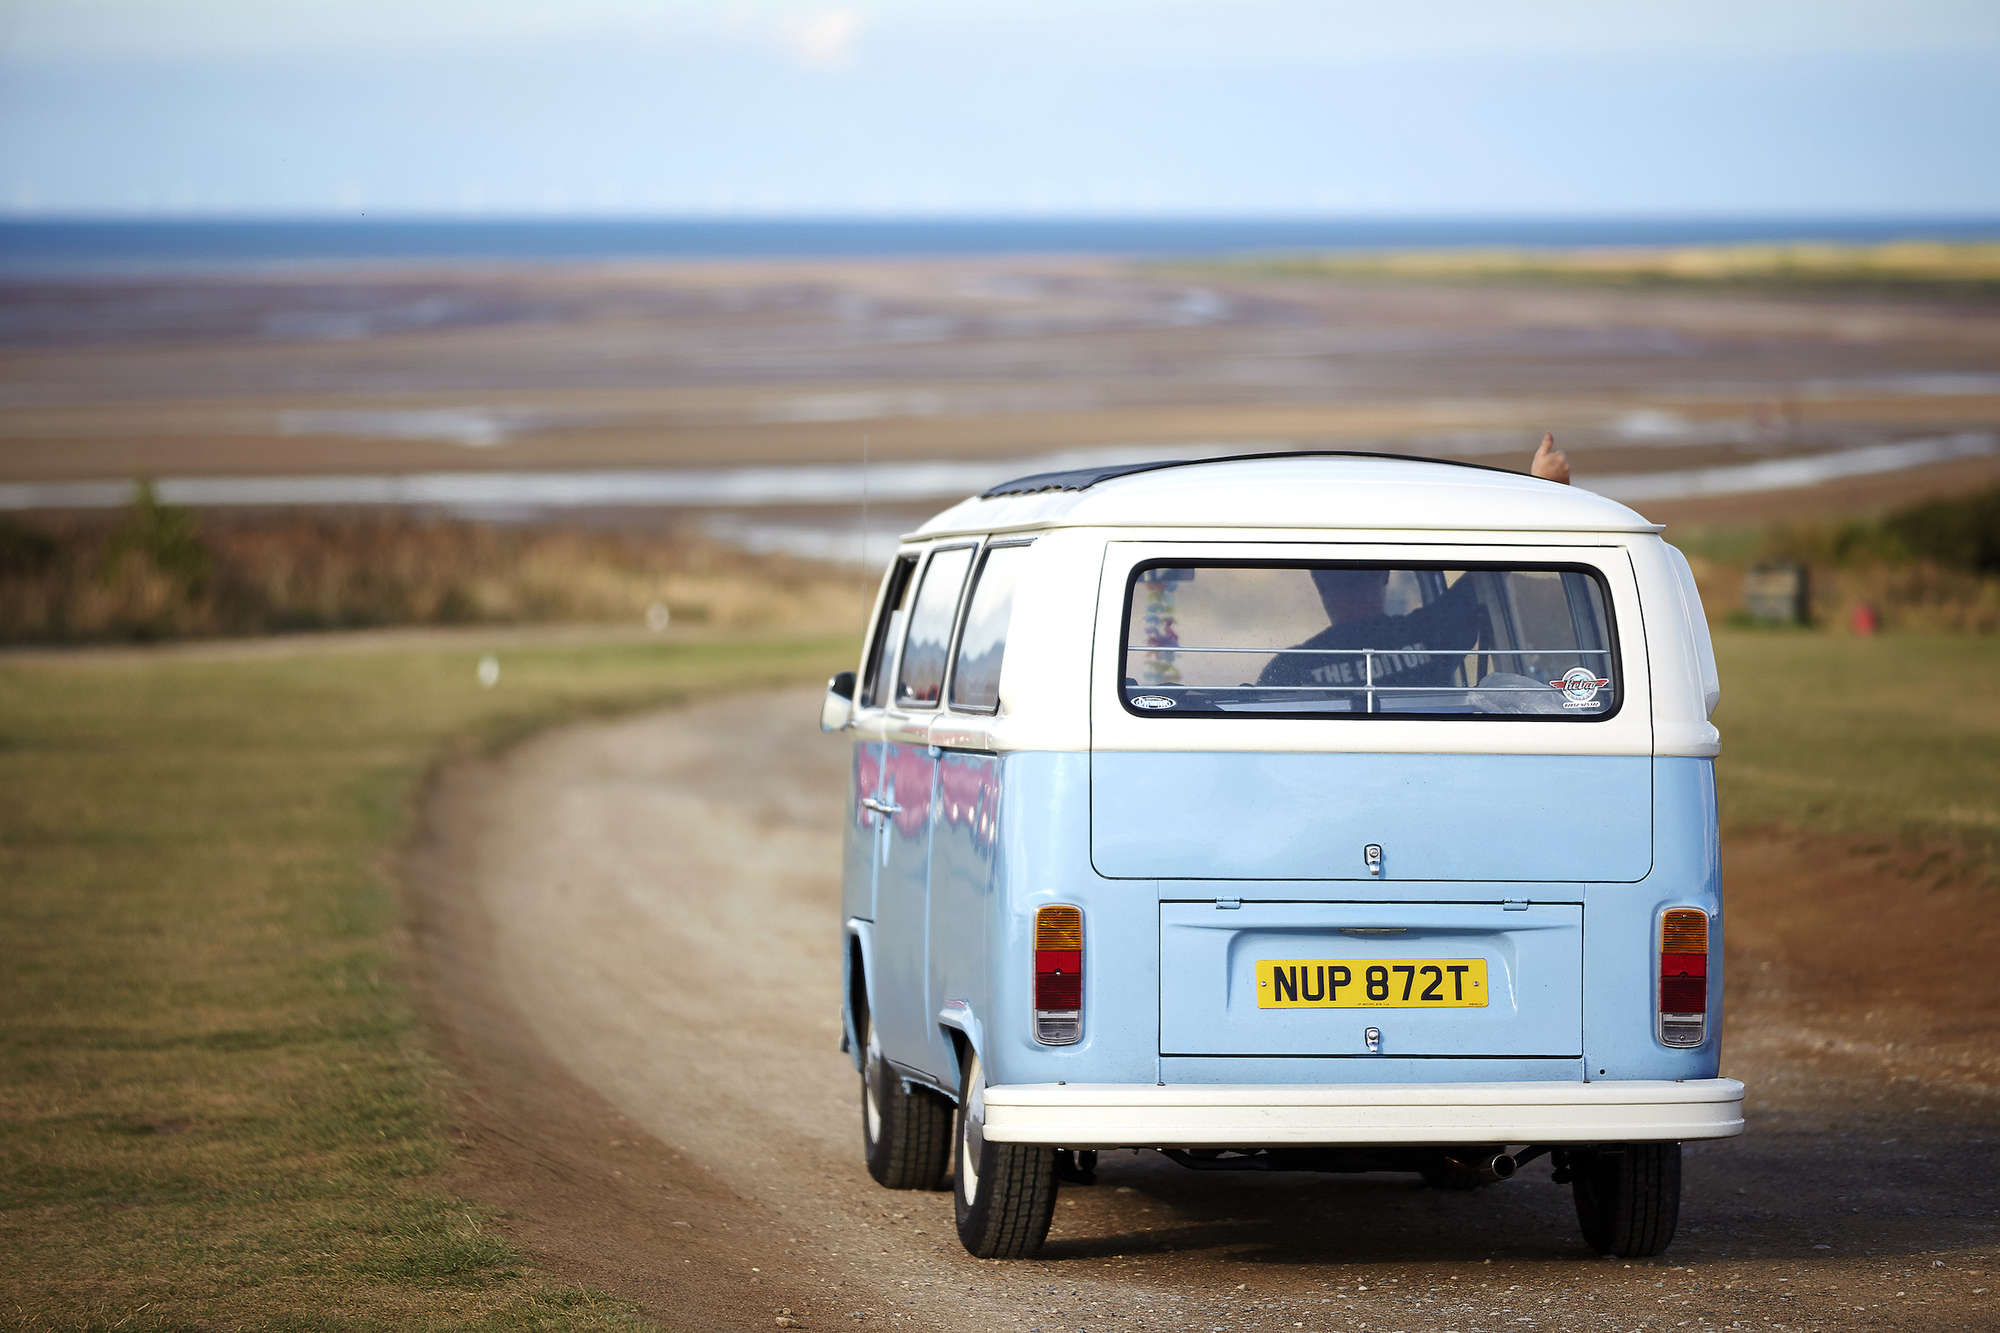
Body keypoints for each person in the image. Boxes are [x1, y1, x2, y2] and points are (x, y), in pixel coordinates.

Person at [1256, 436, 1572, 697]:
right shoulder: (1431, 634)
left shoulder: (1291, 668)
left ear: (1318, 584)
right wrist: (1546, 490)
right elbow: (1490, 569)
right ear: (1384, 576)